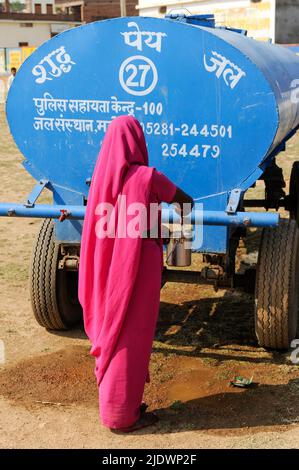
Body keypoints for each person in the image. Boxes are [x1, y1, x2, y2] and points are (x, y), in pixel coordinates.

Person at [78, 115, 193, 432]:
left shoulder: (102, 180)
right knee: (131, 336)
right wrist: (179, 250)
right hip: (138, 272)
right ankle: (121, 415)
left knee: (111, 331)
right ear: (137, 142)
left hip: (106, 271)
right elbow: (186, 202)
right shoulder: (147, 178)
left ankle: (120, 403)